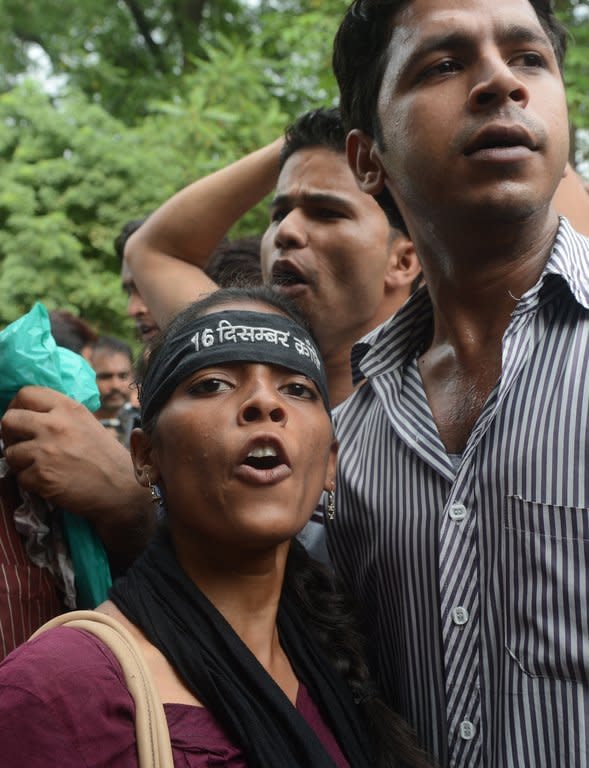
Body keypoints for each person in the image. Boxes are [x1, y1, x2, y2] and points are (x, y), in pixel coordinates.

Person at [0, 287, 430, 768]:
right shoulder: (53, 694)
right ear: (145, 457)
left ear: (330, 464)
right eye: (212, 384)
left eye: (296, 389)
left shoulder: (341, 666)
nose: (265, 403)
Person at [328, 1, 589, 766]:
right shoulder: (349, 434)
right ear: (367, 158)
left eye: (529, 58)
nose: (500, 82)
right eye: (442, 65)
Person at [125, 108, 422, 407]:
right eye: (279, 214)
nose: (287, 231)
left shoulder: (447, 403)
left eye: (327, 213)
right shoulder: (242, 347)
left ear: (403, 261)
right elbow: (153, 250)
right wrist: (300, 141)